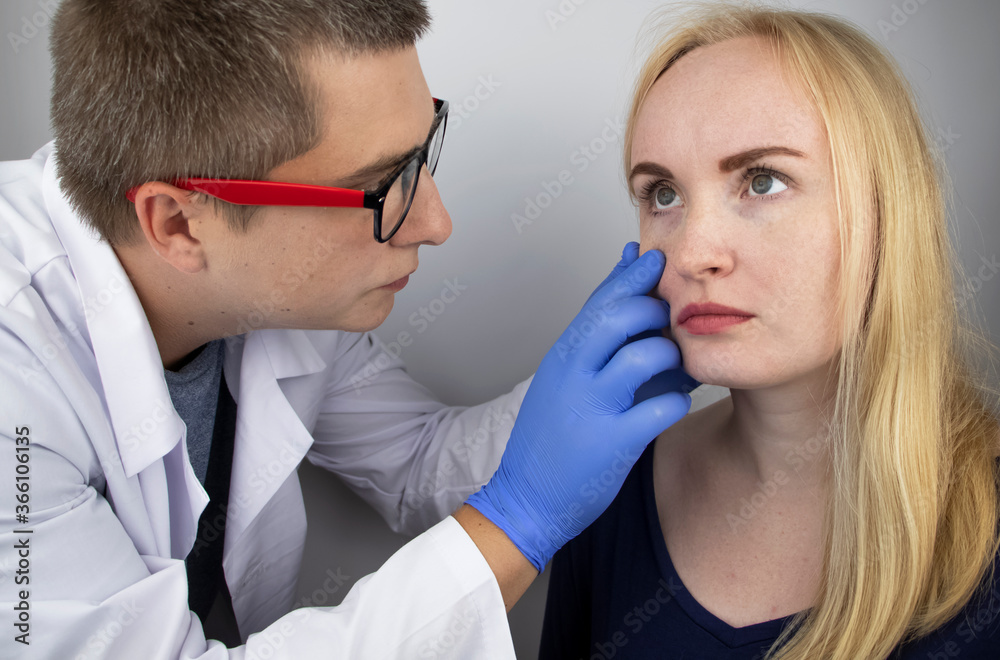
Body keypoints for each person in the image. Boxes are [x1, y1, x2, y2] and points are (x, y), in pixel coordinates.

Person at [0, 0, 698, 657]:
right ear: (180, 222)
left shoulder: (275, 294)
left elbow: (418, 462)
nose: (435, 223)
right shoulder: (16, 383)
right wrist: (518, 521)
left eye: (421, 154)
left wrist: (612, 367)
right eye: (381, 185)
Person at [540, 4, 1000, 659]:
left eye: (762, 181)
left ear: (886, 212)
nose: (694, 252)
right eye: (662, 194)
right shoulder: (611, 487)